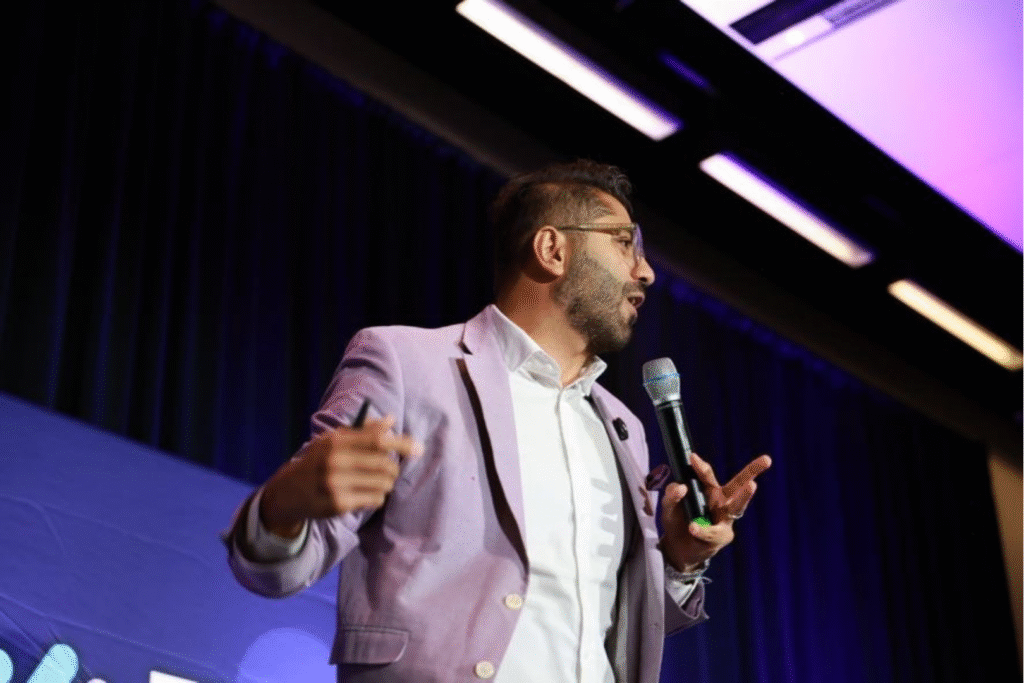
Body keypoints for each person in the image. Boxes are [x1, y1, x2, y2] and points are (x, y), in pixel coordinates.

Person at [223, 160, 771, 683]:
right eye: (625, 242)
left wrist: (676, 561)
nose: (645, 271)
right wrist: (285, 503)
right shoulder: (408, 363)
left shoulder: (621, 425)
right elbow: (277, 569)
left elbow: (610, 620)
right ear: (552, 248)